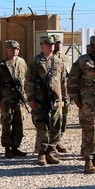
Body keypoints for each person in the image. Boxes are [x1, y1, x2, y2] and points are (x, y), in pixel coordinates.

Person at [67, 35, 95, 174]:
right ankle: (88, 160)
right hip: (87, 102)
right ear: (92, 46)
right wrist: (75, 98)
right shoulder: (82, 61)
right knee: (89, 130)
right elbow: (72, 80)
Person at [26, 36, 66, 166]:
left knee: (56, 127)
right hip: (40, 100)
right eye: (49, 44)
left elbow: (63, 81)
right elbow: (29, 82)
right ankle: (41, 154)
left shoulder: (59, 62)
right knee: (42, 127)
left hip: (56, 100)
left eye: (53, 44)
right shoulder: (36, 62)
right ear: (42, 45)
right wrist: (31, 99)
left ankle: (50, 152)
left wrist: (64, 98)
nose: (51, 46)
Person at [0, 40, 29, 158]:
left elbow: (26, 79)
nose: (15, 51)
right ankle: (7, 148)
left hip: (19, 99)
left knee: (19, 123)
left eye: (17, 49)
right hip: (7, 99)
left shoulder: (22, 63)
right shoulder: (2, 66)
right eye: (12, 48)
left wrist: (27, 95)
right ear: (7, 49)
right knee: (6, 123)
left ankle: (15, 146)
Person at [51, 35, 70, 153]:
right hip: (53, 93)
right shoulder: (49, 58)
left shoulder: (63, 58)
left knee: (64, 116)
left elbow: (66, 75)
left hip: (64, 91)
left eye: (60, 43)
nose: (59, 45)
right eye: (56, 43)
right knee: (53, 117)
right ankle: (51, 142)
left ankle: (59, 139)